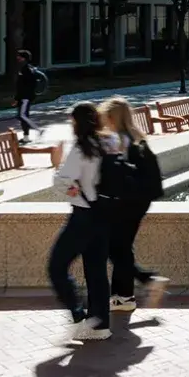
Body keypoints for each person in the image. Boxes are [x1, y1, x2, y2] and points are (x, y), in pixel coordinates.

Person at [49, 103, 116, 342]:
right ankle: (100, 325)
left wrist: (56, 164)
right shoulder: (110, 142)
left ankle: (78, 317)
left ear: (77, 123)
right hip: (105, 215)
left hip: (83, 216)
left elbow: (63, 184)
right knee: (96, 271)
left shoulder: (81, 149)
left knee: (56, 267)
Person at [99, 97, 168, 314]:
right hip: (140, 200)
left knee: (116, 247)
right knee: (120, 247)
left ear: (111, 117)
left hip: (125, 201)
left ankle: (136, 287)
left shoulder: (116, 140)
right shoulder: (137, 138)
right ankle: (123, 295)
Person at [12, 49, 38, 143]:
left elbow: (23, 86)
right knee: (22, 116)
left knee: (22, 116)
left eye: (19, 56)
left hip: (25, 97)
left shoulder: (26, 69)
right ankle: (26, 137)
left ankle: (38, 130)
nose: (17, 57)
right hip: (24, 97)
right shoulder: (26, 68)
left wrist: (18, 98)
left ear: (23, 58)